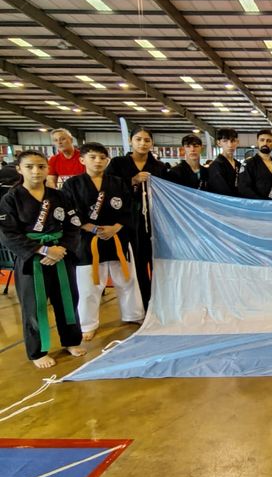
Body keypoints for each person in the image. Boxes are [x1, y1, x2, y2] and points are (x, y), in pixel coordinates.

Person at [0, 150, 85, 368]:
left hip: (60, 254)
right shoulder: (11, 199)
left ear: (48, 168)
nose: (36, 171)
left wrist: (61, 249)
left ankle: (71, 340)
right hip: (32, 259)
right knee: (34, 306)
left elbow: (73, 225)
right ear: (19, 169)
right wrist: (42, 250)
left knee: (67, 300)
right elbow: (7, 234)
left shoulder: (60, 196)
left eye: (40, 166)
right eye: (29, 167)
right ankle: (38, 351)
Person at [62, 143, 144, 341]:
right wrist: (92, 228)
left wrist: (116, 227)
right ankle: (88, 324)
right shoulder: (72, 185)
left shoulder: (117, 182)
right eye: (93, 157)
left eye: (102, 157)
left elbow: (130, 207)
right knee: (89, 285)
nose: (98, 161)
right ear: (82, 160)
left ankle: (133, 314)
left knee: (127, 279)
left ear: (107, 160)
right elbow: (69, 211)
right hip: (87, 240)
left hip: (117, 237)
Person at [104, 127, 167, 311]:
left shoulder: (159, 167)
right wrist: (132, 180)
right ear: (131, 141)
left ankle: (158, 302)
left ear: (152, 143)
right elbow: (108, 187)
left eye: (147, 140)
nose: (142, 143)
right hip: (128, 221)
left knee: (156, 261)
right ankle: (141, 304)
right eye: (138, 139)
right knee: (136, 263)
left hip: (154, 221)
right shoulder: (118, 163)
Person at [239, 129, 272, 199]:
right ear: (257, 142)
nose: (265, 143)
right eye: (262, 140)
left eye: (269, 141)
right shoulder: (248, 164)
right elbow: (243, 188)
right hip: (256, 206)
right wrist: (261, 203)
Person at [207, 128, 241, 197]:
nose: (230, 145)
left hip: (239, 202)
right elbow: (222, 191)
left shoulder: (238, 165)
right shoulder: (216, 165)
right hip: (224, 204)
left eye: (233, 141)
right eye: (225, 141)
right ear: (219, 143)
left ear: (237, 142)